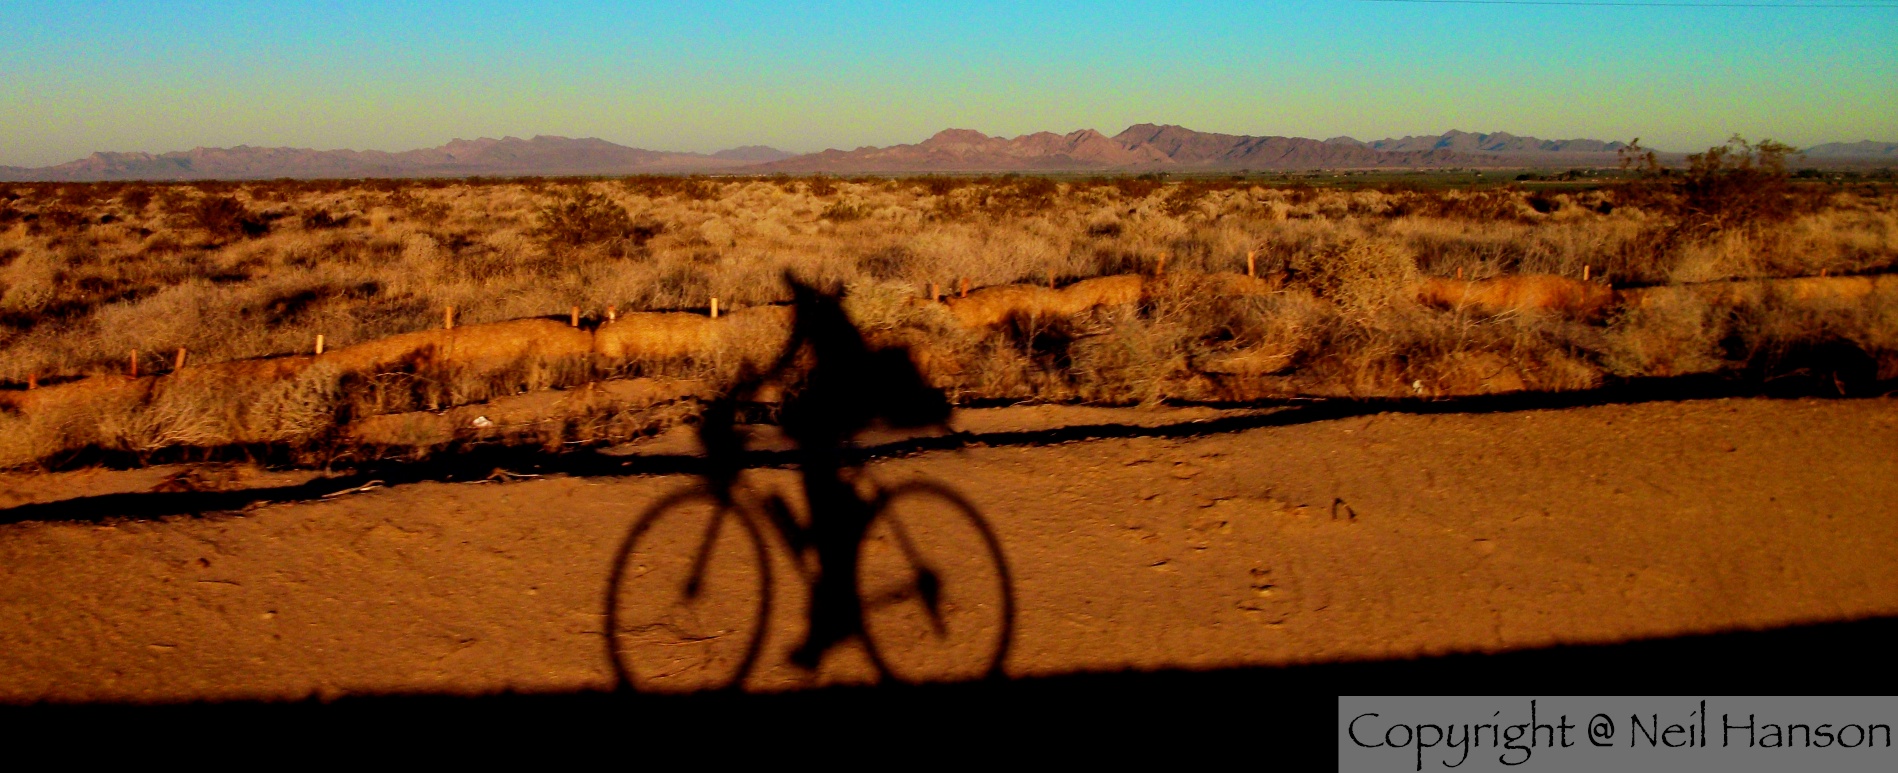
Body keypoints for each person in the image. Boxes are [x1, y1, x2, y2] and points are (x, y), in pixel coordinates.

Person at [696, 273, 950, 668]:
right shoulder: (823, 310)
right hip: (846, 392)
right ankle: (839, 522)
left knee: (814, 469)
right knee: (807, 446)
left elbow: (785, 358)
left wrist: (747, 389)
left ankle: (832, 623)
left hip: (851, 395)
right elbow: (792, 360)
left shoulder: (813, 313)